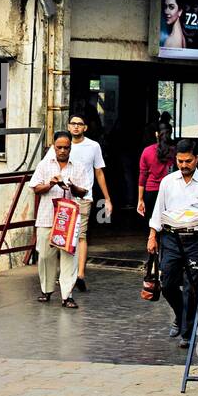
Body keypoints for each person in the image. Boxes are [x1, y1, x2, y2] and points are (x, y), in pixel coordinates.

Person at [147, 139, 198, 348]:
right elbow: (159, 210)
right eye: (180, 161)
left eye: (188, 161)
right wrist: (152, 235)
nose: (184, 165)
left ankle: (187, 333)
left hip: (195, 239)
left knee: (191, 287)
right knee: (167, 283)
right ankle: (180, 314)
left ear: (196, 159)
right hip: (171, 238)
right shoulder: (168, 182)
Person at [30, 131, 91, 309]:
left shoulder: (78, 166)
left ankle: (67, 295)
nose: (63, 151)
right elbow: (35, 187)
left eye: (66, 147)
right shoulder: (44, 165)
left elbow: (84, 191)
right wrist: (51, 183)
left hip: (68, 219)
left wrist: (72, 186)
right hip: (47, 217)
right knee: (45, 255)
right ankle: (46, 289)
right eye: (59, 147)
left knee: (68, 256)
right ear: (53, 147)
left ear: (71, 148)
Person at [64, 113, 111, 293]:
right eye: (73, 124)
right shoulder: (62, 145)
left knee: (81, 235)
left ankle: (80, 275)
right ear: (68, 126)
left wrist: (107, 198)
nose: (76, 127)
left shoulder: (93, 146)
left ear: (85, 127)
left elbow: (99, 172)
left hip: (85, 197)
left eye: (80, 124)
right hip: (63, 196)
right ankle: (67, 273)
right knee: (65, 235)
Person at [136, 126, 175, 219]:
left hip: (150, 192)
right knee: (168, 223)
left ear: (156, 134)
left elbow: (142, 176)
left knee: (151, 223)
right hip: (169, 191)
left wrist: (140, 199)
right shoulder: (174, 151)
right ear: (170, 134)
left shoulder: (147, 151)